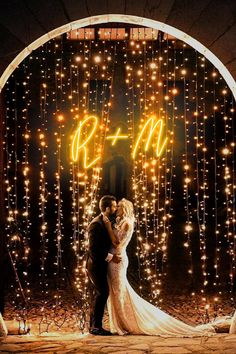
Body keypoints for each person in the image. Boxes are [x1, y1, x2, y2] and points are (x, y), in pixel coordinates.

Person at [102, 198, 219, 337]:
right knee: (115, 291)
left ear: (125, 208)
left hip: (118, 260)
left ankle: (126, 322)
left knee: (118, 291)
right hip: (113, 260)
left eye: (119, 206)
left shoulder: (127, 224)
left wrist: (108, 227)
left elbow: (117, 244)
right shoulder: (120, 222)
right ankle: (120, 322)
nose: (117, 209)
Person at [86, 195, 122, 336]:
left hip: (101, 264)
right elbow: (93, 249)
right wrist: (111, 257)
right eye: (113, 206)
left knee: (101, 293)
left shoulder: (105, 221)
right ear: (107, 208)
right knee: (102, 293)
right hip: (95, 265)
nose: (115, 208)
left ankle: (95, 325)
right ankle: (96, 327)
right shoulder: (96, 224)